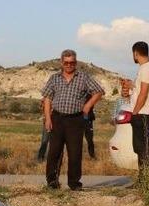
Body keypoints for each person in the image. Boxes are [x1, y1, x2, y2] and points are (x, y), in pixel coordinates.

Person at [41, 49, 104, 190]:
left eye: (72, 62)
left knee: (75, 153)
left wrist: (88, 105)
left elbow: (99, 91)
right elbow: (47, 98)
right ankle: (52, 182)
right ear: (61, 62)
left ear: (76, 62)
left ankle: (74, 183)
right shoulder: (54, 78)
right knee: (54, 152)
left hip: (75, 120)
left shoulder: (83, 77)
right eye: (66, 62)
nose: (69, 65)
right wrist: (48, 118)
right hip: (57, 118)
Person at [128, 41, 149, 171]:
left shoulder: (147, 68)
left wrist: (135, 112)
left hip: (142, 113)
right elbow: (141, 89)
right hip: (144, 112)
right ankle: (146, 177)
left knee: (141, 147)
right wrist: (132, 85)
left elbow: (144, 93)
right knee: (142, 147)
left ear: (135, 53)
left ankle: (146, 177)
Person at [36, 97, 51, 161]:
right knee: (44, 141)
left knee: (54, 142)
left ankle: (52, 158)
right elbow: (41, 108)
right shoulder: (46, 98)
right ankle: (40, 157)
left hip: (57, 122)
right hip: (47, 122)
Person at [83, 94, 96, 159]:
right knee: (76, 139)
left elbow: (91, 106)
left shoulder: (89, 95)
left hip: (88, 120)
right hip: (77, 120)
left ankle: (92, 155)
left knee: (89, 139)